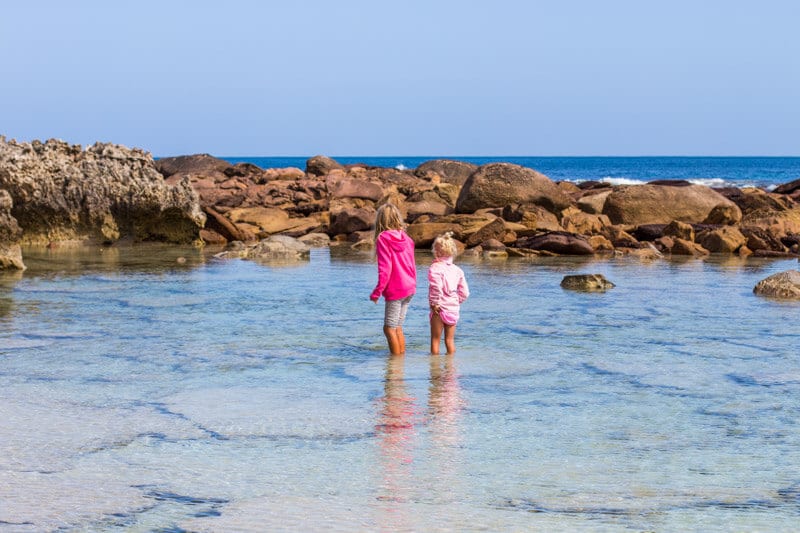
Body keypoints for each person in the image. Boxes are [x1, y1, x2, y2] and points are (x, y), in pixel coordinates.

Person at [370, 203, 417, 355]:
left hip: (396, 289)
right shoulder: (406, 238)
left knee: (389, 328)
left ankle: (394, 368)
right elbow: (412, 264)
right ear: (397, 218)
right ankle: (400, 363)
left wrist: (377, 292)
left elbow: (385, 269)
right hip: (410, 287)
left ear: (380, 221)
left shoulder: (383, 238)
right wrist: (413, 284)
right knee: (397, 326)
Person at [428, 232, 469, 355]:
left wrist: (435, 303)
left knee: (435, 340)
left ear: (436, 251)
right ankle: (451, 370)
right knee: (450, 340)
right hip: (453, 309)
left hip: (439, 309)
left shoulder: (435, 268)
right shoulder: (458, 270)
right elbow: (465, 293)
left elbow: (436, 287)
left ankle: (435, 371)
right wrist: (456, 301)